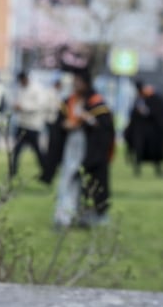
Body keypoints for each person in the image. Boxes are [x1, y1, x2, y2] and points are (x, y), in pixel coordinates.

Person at [40, 69, 115, 228]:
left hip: (90, 152)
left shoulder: (96, 102)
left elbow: (105, 129)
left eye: (79, 81)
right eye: (75, 80)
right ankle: (63, 218)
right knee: (68, 181)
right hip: (71, 149)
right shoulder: (69, 102)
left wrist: (88, 121)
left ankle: (89, 218)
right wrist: (64, 126)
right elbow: (58, 126)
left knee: (90, 185)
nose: (75, 84)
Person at [123, 80, 163, 176]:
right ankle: (137, 170)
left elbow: (160, 114)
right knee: (139, 150)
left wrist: (147, 112)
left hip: (153, 132)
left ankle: (158, 170)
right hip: (140, 131)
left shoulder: (156, 99)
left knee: (155, 152)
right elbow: (133, 116)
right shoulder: (138, 100)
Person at [10, 71, 47, 178]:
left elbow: (39, 106)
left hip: (33, 126)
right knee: (16, 150)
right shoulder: (21, 89)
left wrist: (23, 108)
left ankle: (45, 171)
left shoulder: (37, 89)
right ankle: (13, 172)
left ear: (26, 78)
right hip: (22, 124)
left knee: (38, 151)